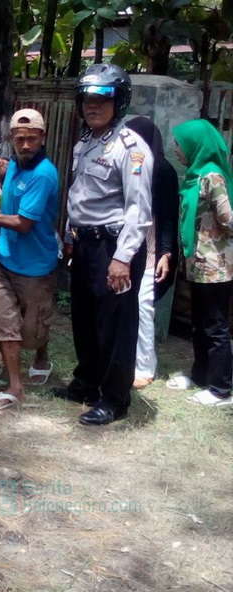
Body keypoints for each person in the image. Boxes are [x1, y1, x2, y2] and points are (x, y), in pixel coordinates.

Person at [55, 63, 153, 426]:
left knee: (115, 325)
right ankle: (87, 383)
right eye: (86, 99)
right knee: (84, 319)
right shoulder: (85, 143)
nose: (92, 105)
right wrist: (70, 235)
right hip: (85, 245)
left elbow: (138, 209)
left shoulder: (131, 148)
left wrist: (123, 258)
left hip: (113, 247)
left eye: (102, 98)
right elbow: (79, 195)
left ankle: (114, 399)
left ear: (119, 101)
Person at [0, 108, 60, 410]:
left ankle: (41, 355)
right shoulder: (14, 163)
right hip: (4, 259)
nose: (25, 145)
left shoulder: (43, 174)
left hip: (36, 265)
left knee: (33, 329)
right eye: (19, 139)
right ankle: (15, 385)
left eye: (31, 139)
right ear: (11, 138)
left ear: (43, 137)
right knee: (3, 321)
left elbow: (24, 224)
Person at [166, 119, 233, 407]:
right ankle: (201, 375)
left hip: (215, 266)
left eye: (180, 144)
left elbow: (228, 219)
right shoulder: (194, 177)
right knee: (199, 323)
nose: (176, 149)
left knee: (215, 327)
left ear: (196, 145)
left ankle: (221, 389)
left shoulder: (211, 176)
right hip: (198, 265)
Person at [124, 117, 179, 389]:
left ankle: (145, 366)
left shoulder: (163, 170)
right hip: (123, 244)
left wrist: (165, 253)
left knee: (143, 306)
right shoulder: (126, 163)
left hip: (151, 246)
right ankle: (122, 359)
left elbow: (168, 217)